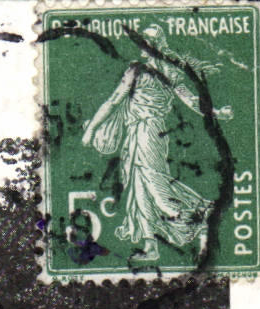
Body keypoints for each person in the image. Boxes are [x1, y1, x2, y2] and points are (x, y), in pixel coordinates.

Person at [81, 25, 230, 261]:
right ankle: (151, 245)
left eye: (147, 41)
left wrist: (214, 112)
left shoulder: (165, 70)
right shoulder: (138, 69)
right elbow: (114, 101)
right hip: (135, 133)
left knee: (154, 183)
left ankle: (200, 216)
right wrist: (91, 129)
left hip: (149, 132)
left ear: (157, 45)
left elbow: (190, 99)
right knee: (138, 187)